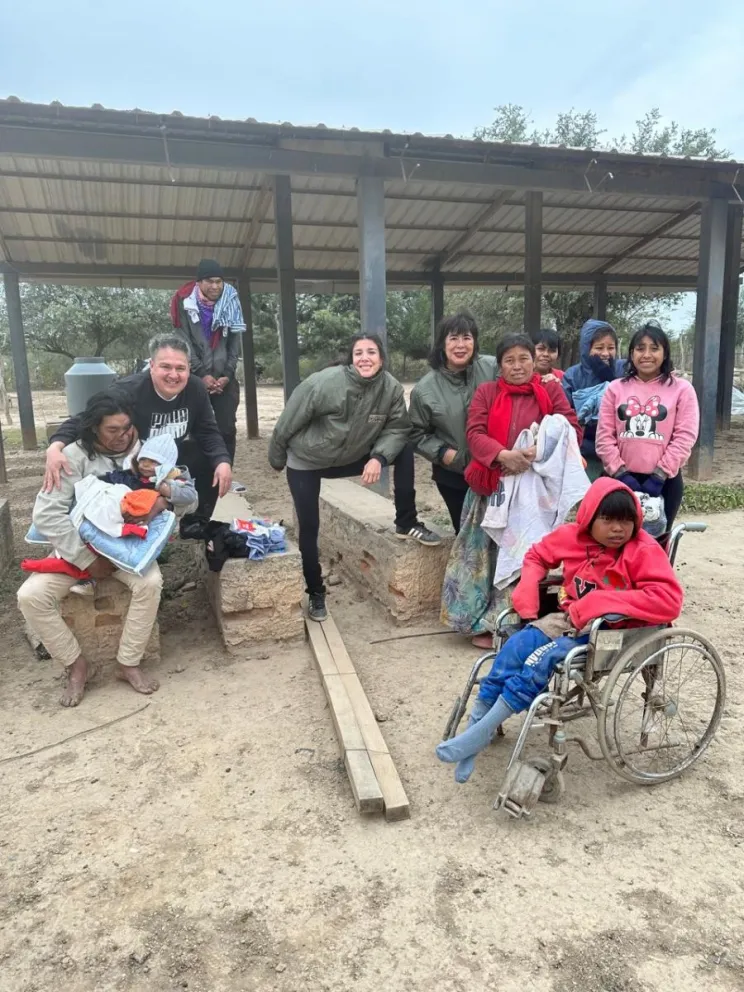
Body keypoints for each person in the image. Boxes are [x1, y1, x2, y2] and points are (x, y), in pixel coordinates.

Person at [436, 478, 684, 782]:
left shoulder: (642, 549)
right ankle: (475, 732)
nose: (618, 529)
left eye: (625, 521)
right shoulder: (572, 537)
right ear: (589, 518)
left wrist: (600, 602)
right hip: (569, 619)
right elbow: (537, 555)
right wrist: (528, 585)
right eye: (608, 520)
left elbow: (669, 600)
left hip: (611, 631)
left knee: (540, 660)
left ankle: (478, 734)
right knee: (514, 646)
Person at [269, 333, 440, 622]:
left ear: (381, 358)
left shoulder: (390, 388)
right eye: (358, 353)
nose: (365, 358)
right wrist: (277, 459)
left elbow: (398, 429)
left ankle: (407, 521)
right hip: (308, 460)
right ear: (351, 359)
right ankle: (316, 591)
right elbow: (287, 423)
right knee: (309, 526)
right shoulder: (323, 383)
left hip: (351, 457)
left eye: (371, 352)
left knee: (404, 448)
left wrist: (379, 457)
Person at [17, 393, 165, 707]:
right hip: (78, 550)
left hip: (127, 549)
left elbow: (182, 491)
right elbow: (47, 515)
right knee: (30, 597)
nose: (122, 436)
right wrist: (86, 559)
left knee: (150, 583)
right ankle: (76, 665)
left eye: (127, 427)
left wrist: (163, 500)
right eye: (113, 430)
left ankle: (128, 663)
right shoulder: (71, 457)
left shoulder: (145, 453)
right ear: (94, 428)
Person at [441, 333, 582, 647]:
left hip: (530, 495)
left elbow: (570, 428)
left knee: (519, 557)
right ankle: (472, 622)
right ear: (500, 365)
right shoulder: (487, 393)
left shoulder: (551, 391)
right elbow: (474, 433)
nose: (517, 366)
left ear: (533, 360)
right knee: (480, 556)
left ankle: (504, 626)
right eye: (509, 360)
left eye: (524, 359)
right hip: (489, 487)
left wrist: (535, 451)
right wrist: (503, 455)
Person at [42, 334, 232, 518]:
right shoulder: (129, 389)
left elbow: (207, 430)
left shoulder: (195, 388)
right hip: (134, 463)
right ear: (152, 366)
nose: (173, 375)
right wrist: (55, 446)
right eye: (165, 366)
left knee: (210, 460)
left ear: (189, 369)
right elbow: (87, 418)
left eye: (180, 368)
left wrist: (222, 461)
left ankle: (197, 522)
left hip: (169, 460)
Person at [595, 322, 699, 533]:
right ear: (631, 353)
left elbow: (685, 437)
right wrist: (621, 474)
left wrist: (660, 475)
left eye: (654, 348)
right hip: (618, 480)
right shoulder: (615, 389)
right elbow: (604, 437)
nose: (647, 355)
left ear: (665, 353)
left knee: (656, 543)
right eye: (640, 348)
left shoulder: (682, 389)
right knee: (615, 540)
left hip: (664, 483)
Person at [408, 313, 497, 534]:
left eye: (466, 337)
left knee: (502, 534)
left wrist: (548, 379)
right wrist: (445, 454)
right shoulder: (425, 389)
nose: (460, 345)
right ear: (442, 343)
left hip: (497, 468)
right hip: (455, 474)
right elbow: (416, 433)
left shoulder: (494, 368)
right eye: (453, 338)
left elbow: (522, 380)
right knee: (467, 534)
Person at [170, 258, 245, 488]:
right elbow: (183, 341)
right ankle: (193, 477)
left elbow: (234, 342)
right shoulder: (183, 302)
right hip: (195, 376)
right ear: (199, 282)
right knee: (193, 427)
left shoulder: (231, 301)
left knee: (226, 428)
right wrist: (201, 374)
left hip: (224, 377)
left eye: (219, 281)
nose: (215, 286)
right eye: (210, 281)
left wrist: (228, 374)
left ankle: (224, 474)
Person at [563, 319, 626, 478]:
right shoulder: (573, 375)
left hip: (621, 453)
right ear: (586, 348)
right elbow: (565, 413)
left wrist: (610, 379)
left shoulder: (624, 369)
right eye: (599, 348)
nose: (605, 353)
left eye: (610, 348)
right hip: (585, 452)